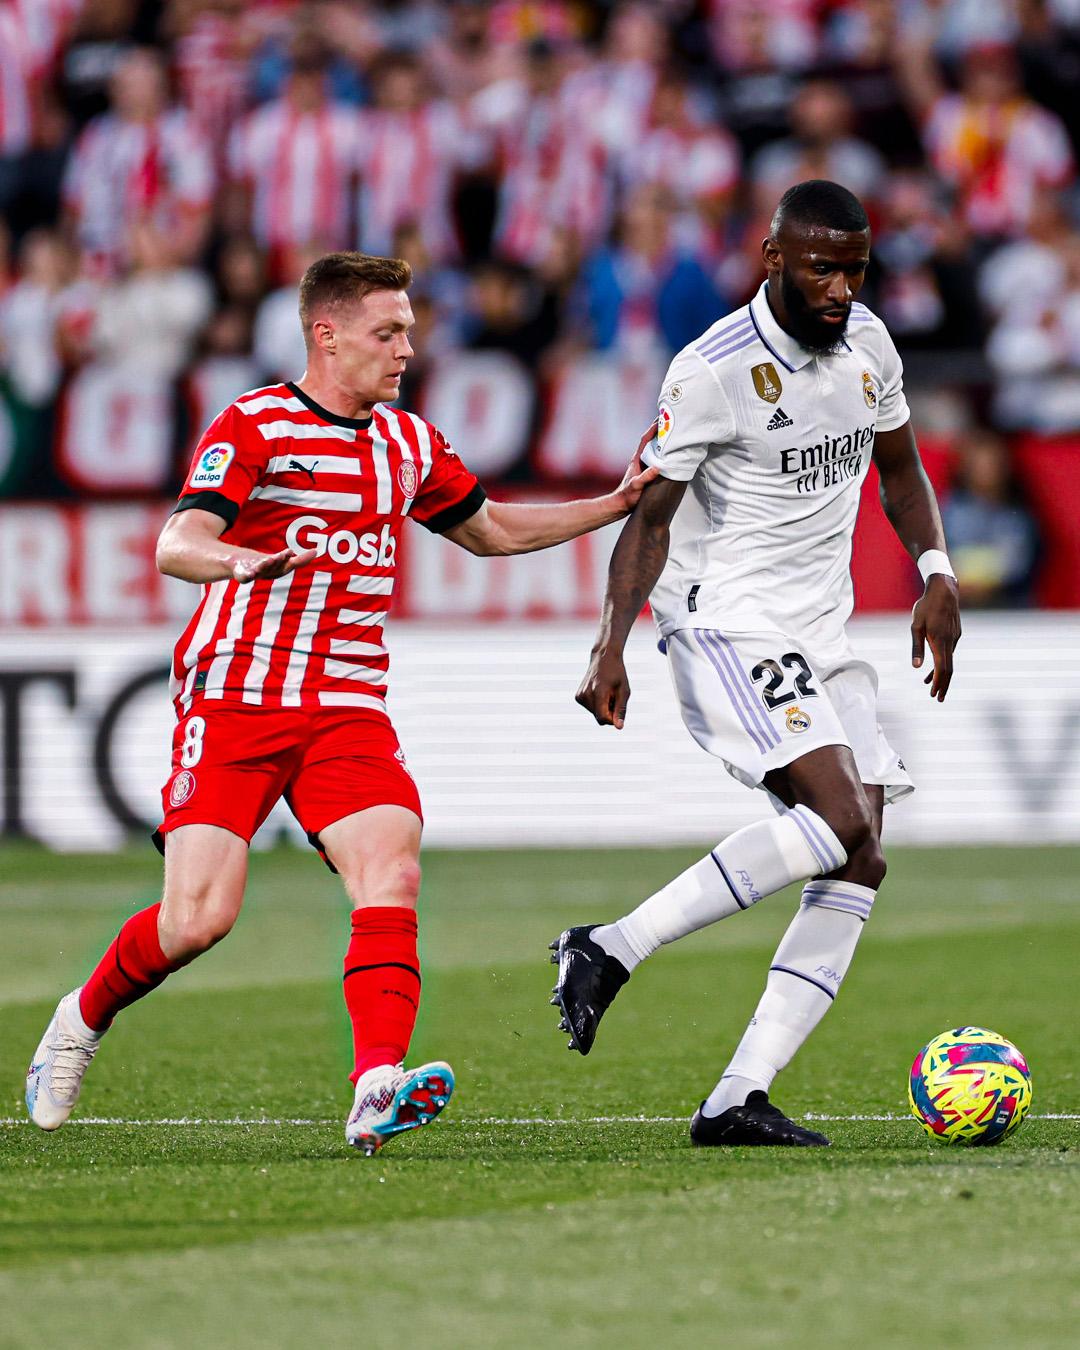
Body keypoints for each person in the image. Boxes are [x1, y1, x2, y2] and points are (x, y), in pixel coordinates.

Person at [25, 250, 657, 1155]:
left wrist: (614, 504)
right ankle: (80, 1020)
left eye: (408, 331)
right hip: (238, 694)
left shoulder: (410, 443)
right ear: (326, 336)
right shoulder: (256, 424)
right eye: (387, 332)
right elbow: (177, 541)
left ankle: (375, 1086)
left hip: (345, 702)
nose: (407, 349)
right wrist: (242, 561)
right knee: (197, 919)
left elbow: (489, 530)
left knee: (391, 870)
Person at [551, 180, 961, 1148]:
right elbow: (649, 520)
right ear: (772, 259)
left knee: (860, 855)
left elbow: (900, 469)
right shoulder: (712, 371)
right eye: (822, 269)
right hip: (726, 622)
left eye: (856, 271)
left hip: (822, 632)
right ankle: (612, 945)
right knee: (839, 818)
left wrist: (936, 571)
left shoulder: (870, 345)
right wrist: (611, 644)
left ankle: (737, 1095)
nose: (841, 290)